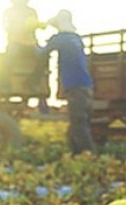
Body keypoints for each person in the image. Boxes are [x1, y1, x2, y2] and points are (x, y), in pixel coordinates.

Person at [39, 10, 95, 155]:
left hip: (75, 87)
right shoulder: (76, 38)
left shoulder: (60, 38)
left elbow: (41, 53)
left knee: (79, 126)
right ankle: (76, 155)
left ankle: (89, 157)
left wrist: (30, 46)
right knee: (77, 124)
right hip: (86, 86)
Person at [2, 0, 48, 112]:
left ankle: (33, 82)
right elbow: (6, 27)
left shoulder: (31, 11)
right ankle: (5, 82)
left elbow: (35, 28)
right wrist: (21, 25)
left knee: (44, 57)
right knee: (8, 59)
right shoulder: (9, 12)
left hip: (30, 43)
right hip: (15, 42)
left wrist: (36, 26)